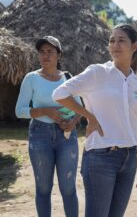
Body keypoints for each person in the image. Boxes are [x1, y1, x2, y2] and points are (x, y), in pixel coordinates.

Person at [52, 23, 137, 217]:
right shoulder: (97, 73)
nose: (115, 45)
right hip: (100, 159)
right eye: (112, 40)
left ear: (135, 46)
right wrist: (89, 116)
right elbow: (60, 93)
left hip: (129, 160)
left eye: (121, 40)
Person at [15, 36, 81, 217]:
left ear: (58, 55)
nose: (45, 55)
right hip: (39, 136)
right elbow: (19, 110)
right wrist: (45, 111)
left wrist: (72, 123)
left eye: (50, 51)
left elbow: (80, 108)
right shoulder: (31, 78)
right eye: (42, 52)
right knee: (43, 188)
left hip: (67, 137)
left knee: (68, 188)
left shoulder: (68, 78)